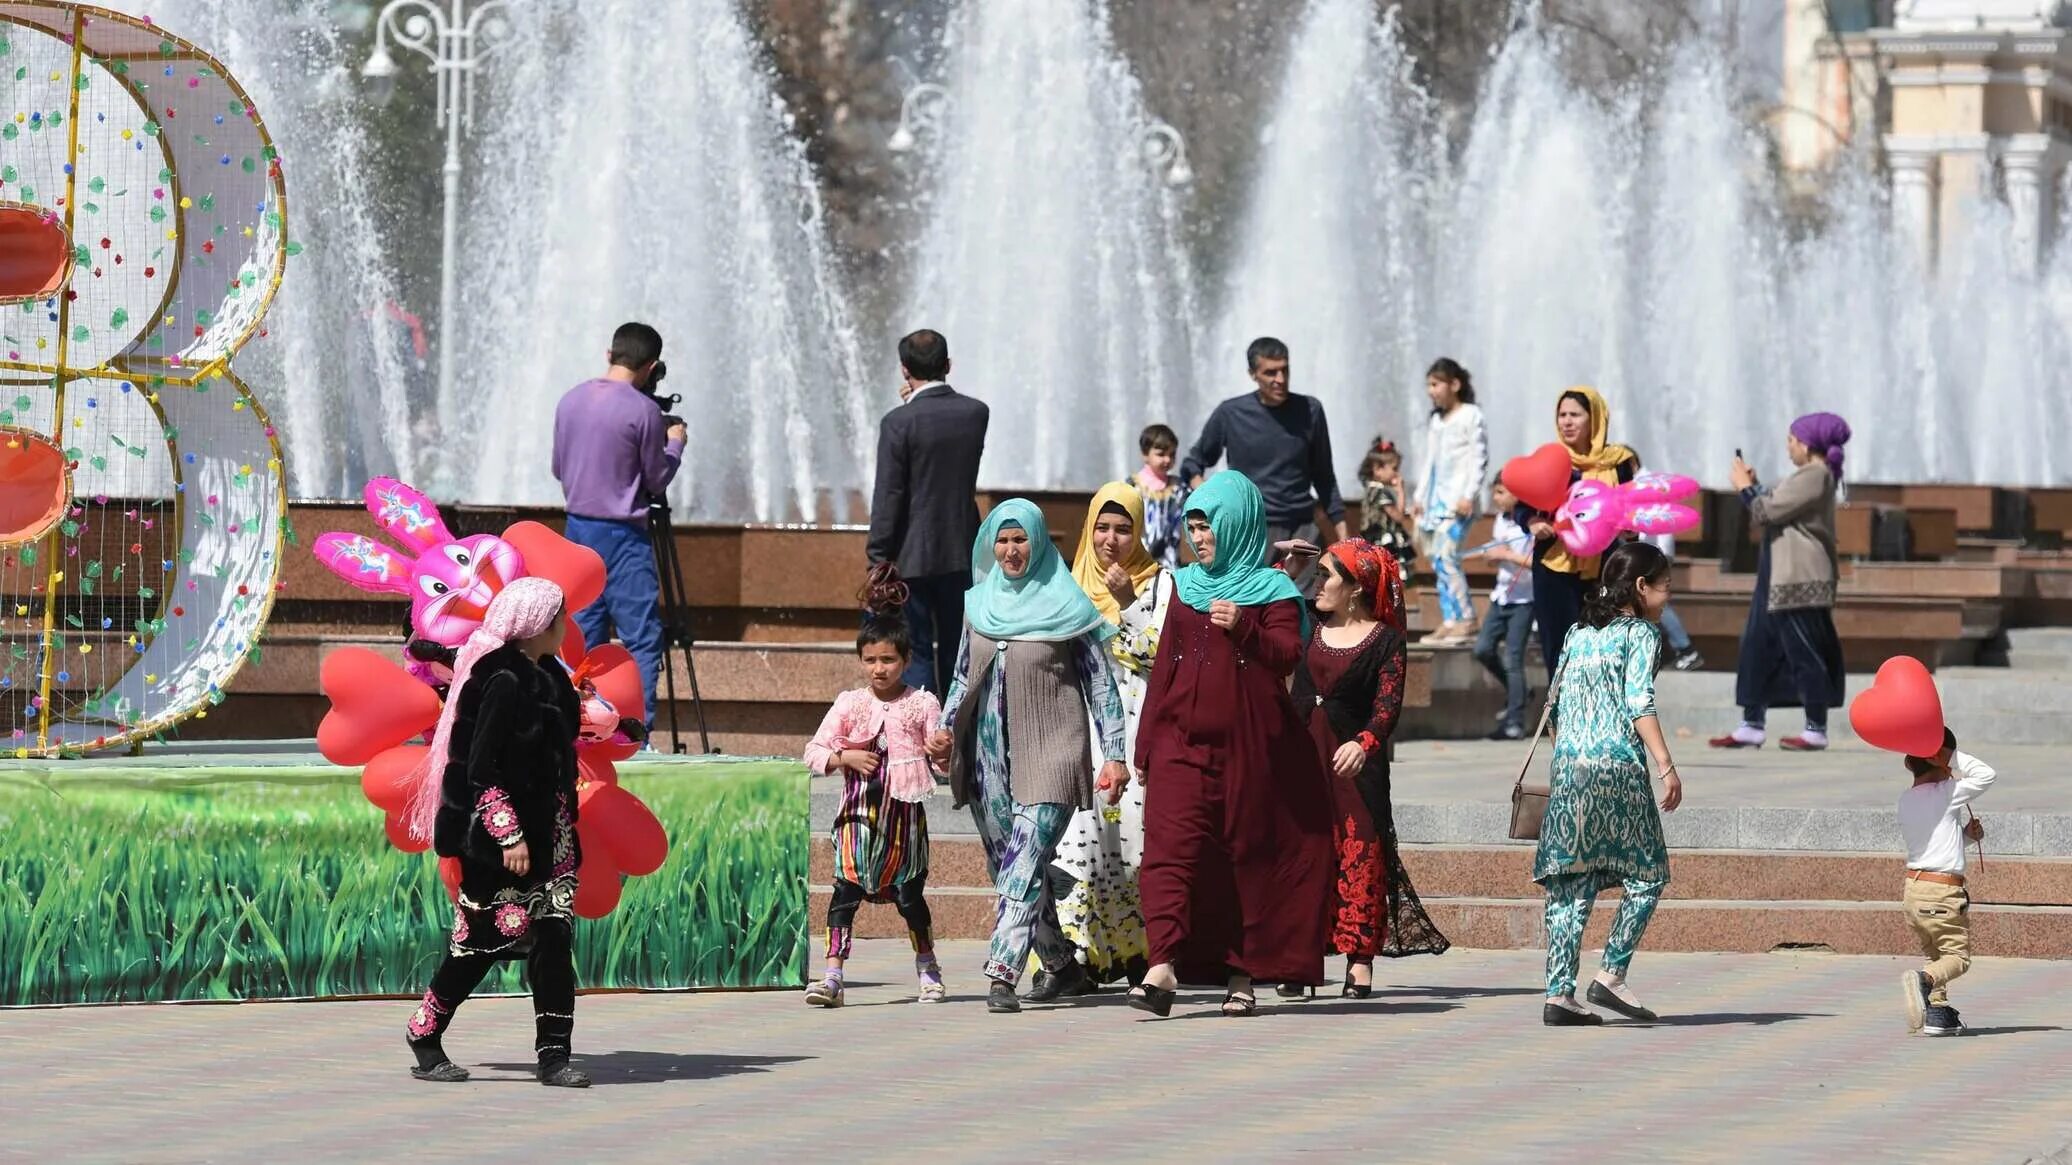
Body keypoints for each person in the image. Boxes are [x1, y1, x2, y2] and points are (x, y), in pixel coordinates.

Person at [1130, 472, 1336, 1018]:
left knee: (1244, 861)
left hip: (1252, 749)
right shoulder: (1185, 586)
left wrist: (1245, 626)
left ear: (1236, 525)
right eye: (1193, 527)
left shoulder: (1275, 592)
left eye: (1209, 526)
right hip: (1179, 742)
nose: (1199, 538)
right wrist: (1147, 742)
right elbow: (1165, 668)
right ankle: (1162, 967)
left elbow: (1291, 655)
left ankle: (1242, 974)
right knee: (1167, 852)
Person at [926, 500, 1130, 1015]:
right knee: (1014, 867)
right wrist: (946, 729)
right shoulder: (979, 604)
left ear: (1038, 542)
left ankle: (1002, 972)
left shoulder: (1068, 605)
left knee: (1021, 862)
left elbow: (1101, 685)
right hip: (987, 759)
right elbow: (958, 677)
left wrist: (1115, 755)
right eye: (1003, 540)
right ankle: (1063, 966)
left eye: (1021, 540)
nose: (1012, 551)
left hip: (1053, 753)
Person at [402, 577, 591, 1087]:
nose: (565, 625)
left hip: (550, 839)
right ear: (537, 626)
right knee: (484, 941)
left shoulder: (550, 675)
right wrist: (508, 835)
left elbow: (561, 750)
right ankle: (424, 1033)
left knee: (555, 941)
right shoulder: (500, 679)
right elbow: (479, 768)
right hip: (497, 840)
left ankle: (554, 1055)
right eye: (560, 617)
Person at [1284, 539, 1449, 1000]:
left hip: (1354, 764)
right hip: (1301, 756)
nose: (1318, 584)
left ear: (1355, 588)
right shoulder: (1307, 621)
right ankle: (1299, 957)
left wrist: (1365, 743)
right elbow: (1262, 604)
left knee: (1361, 851)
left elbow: (1387, 707)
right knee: (1304, 852)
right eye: (1315, 575)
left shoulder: (1387, 641)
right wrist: (1286, 566)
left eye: (1326, 576)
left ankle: (1359, 959)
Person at [1033, 482, 1172, 998]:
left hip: (1137, 730)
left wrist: (1127, 602)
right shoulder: (1066, 589)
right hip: (1080, 732)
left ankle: (1141, 956)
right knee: (1075, 846)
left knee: (1133, 843)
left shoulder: (1160, 587)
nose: (1111, 540)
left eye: (1124, 528)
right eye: (1103, 528)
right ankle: (1070, 960)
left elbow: (1162, 659)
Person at [1536, 541, 1682, 1027]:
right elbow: (1639, 701)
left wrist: (1571, 756)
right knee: (1648, 874)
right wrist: (1666, 764)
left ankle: (1559, 994)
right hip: (1617, 766)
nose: (1666, 599)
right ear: (1641, 587)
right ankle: (1611, 975)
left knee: (1570, 885)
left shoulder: (1577, 633)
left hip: (1570, 768)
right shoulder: (1640, 633)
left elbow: (1553, 707)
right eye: (1664, 588)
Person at [801, 613, 946, 1009]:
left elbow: (942, 761)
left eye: (888, 660)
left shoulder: (922, 703)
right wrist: (843, 756)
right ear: (860, 661)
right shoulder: (850, 704)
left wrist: (943, 750)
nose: (879, 669)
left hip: (904, 823)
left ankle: (928, 966)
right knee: (844, 893)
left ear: (906, 659)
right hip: (857, 820)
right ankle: (832, 976)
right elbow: (812, 751)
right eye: (870, 660)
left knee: (910, 898)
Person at [551, 322, 679, 730]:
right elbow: (656, 479)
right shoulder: (644, 412)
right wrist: (674, 443)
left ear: (610, 354)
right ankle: (635, 735)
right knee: (641, 638)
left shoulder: (569, 400)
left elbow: (558, 467)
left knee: (581, 637)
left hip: (577, 534)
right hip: (624, 537)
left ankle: (579, 731)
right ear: (652, 366)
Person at [1711, 413, 1850, 752]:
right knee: (1758, 647)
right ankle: (1751, 724)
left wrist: (1746, 489)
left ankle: (1816, 728)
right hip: (1777, 575)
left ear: (1806, 444)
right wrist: (1755, 489)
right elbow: (1775, 506)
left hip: (1798, 578)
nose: (1788, 448)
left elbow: (1766, 512)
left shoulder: (1815, 475)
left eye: (1791, 441)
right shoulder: (1806, 476)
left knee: (1805, 652)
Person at [868, 329, 991, 697]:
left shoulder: (898, 422)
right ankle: (959, 741)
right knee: (959, 653)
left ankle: (924, 739)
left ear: (905, 370)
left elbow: (890, 495)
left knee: (917, 651)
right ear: (948, 365)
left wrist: (877, 558)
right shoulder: (975, 413)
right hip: (962, 551)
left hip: (911, 558)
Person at [1180, 337, 1348, 595]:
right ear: (1252, 374)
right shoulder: (1230, 413)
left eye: (1285, 370)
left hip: (1303, 529)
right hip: (1251, 533)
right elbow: (1193, 464)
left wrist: (1344, 539)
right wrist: (1210, 501)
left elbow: (1324, 477)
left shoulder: (1310, 411)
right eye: (1270, 372)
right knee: (1251, 608)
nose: (1280, 379)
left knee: (1304, 608)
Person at [1515, 386, 1638, 678]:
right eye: (1561, 415)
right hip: (1554, 568)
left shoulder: (1618, 462)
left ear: (1594, 419)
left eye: (1575, 415)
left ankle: (1598, 718)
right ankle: (1561, 717)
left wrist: (1631, 530)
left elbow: (1628, 506)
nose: (1566, 422)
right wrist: (1532, 521)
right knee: (1559, 650)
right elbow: (1522, 506)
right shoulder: (1552, 458)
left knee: (1601, 651)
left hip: (1604, 569)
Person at [1899, 728, 1994, 1037]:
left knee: (1936, 955)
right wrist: (1948, 755)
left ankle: (1937, 1014)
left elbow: (1935, 845)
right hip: (1942, 892)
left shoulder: (1907, 799)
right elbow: (1985, 775)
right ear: (1938, 760)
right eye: (1948, 763)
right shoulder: (1947, 793)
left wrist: (1966, 837)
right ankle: (1923, 979)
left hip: (1915, 889)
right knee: (1956, 959)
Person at [1410, 358, 1489, 646]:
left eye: (1436, 384)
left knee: (1447, 557)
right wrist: (1419, 497)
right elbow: (1429, 461)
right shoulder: (1436, 421)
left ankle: (1467, 619)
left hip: (1459, 504)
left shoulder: (1471, 415)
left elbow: (1479, 458)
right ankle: (1450, 620)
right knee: (1437, 560)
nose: (1431, 391)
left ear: (1454, 384)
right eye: (1428, 385)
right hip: (1436, 504)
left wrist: (1470, 494)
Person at [1472, 477, 1536, 741]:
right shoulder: (1501, 520)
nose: (1496, 498)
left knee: (1513, 658)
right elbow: (1498, 556)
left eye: (1500, 492)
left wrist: (1507, 555)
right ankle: (1519, 692)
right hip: (1501, 596)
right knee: (1483, 649)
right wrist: (1492, 556)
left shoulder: (1532, 523)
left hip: (1524, 599)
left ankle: (1514, 721)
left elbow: (1536, 563)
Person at [1629, 452, 1703, 672]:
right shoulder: (1645, 483)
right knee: (1646, 602)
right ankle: (1671, 650)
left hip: (1651, 551)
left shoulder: (1643, 485)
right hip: (1654, 550)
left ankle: (1686, 648)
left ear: (1632, 463)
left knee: (1654, 601)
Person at [1134, 424, 1190, 570]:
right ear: (1145, 454)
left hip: (1170, 561)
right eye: (1161, 454)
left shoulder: (1179, 488)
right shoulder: (1133, 487)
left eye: (1172, 455)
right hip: (1140, 561)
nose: (1167, 460)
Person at [1357, 440, 1417, 572]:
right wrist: (1401, 491)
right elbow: (1398, 516)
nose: (1397, 473)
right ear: (1378, 469)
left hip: (1370, 541)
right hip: (1384, 541)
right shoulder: (1380, 493)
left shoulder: (1370, 490)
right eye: (1394, 469)